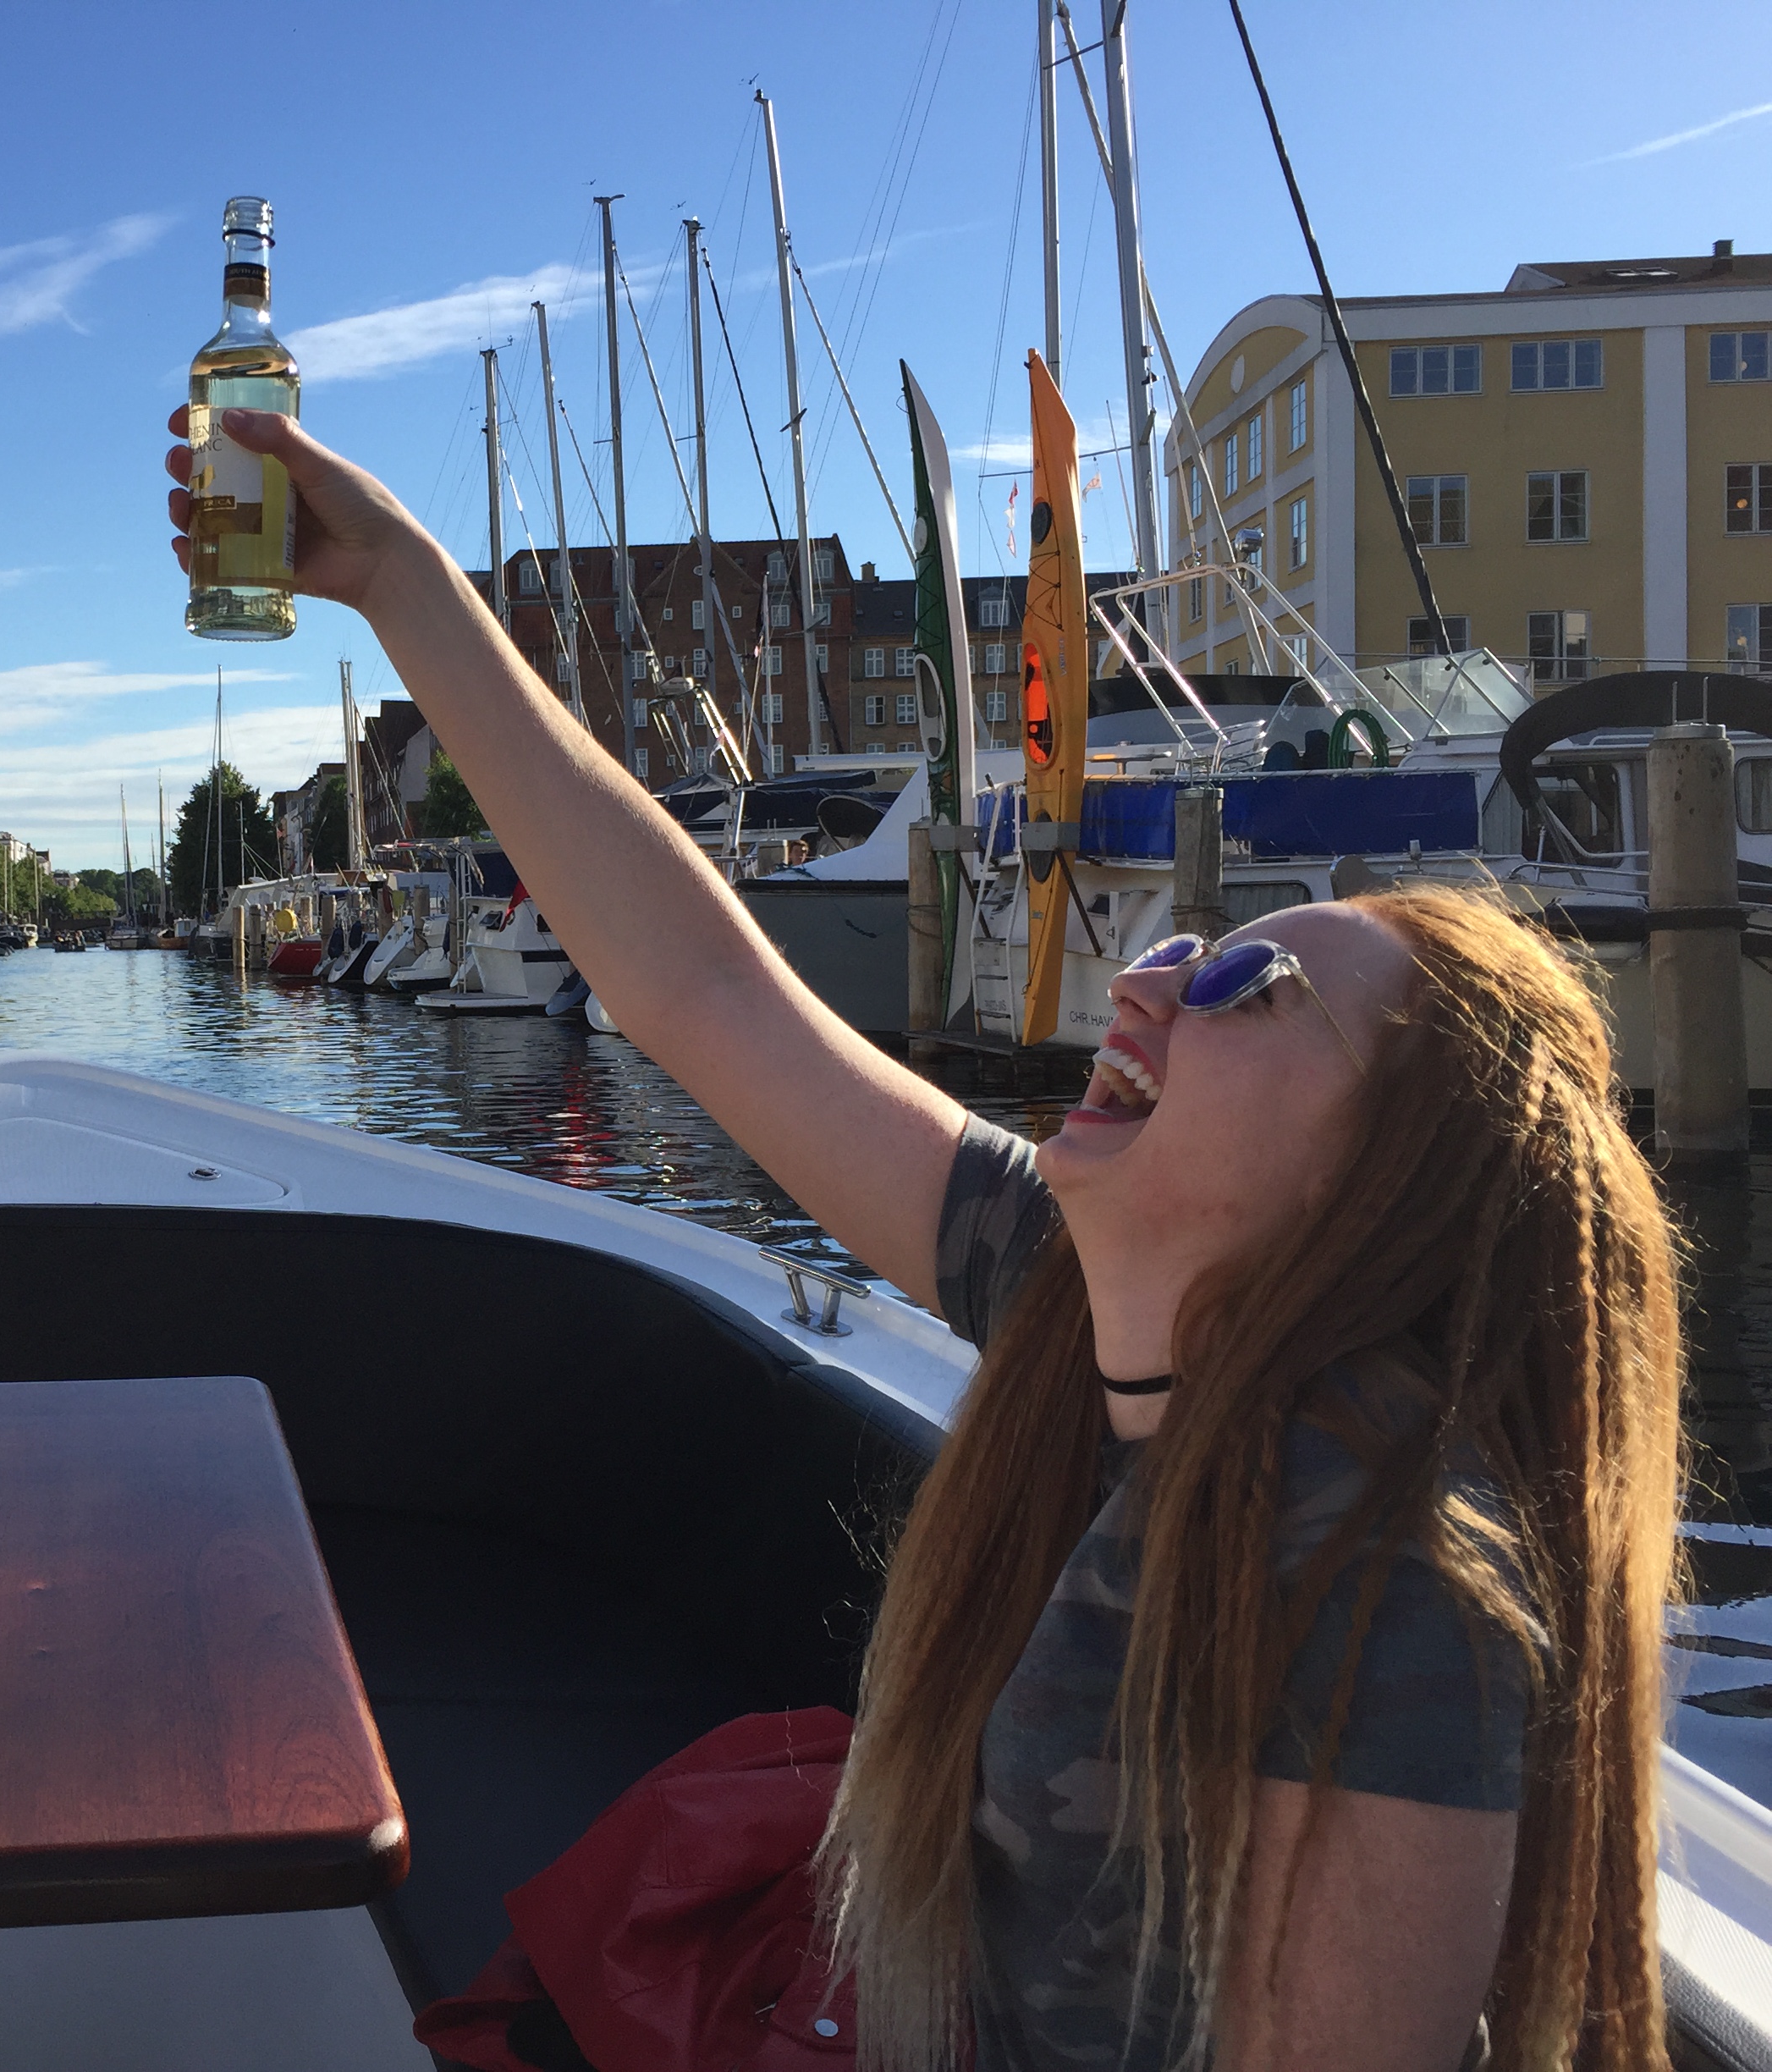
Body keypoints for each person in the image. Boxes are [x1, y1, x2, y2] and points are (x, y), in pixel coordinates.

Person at [168, 408, 1677, 2070]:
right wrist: (400, 582)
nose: (1164, 970)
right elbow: (700, 992)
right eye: (1202, 943)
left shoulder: (1393, 1586)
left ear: (1385, 1191)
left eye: (1259, 983)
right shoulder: (1070, 1297)